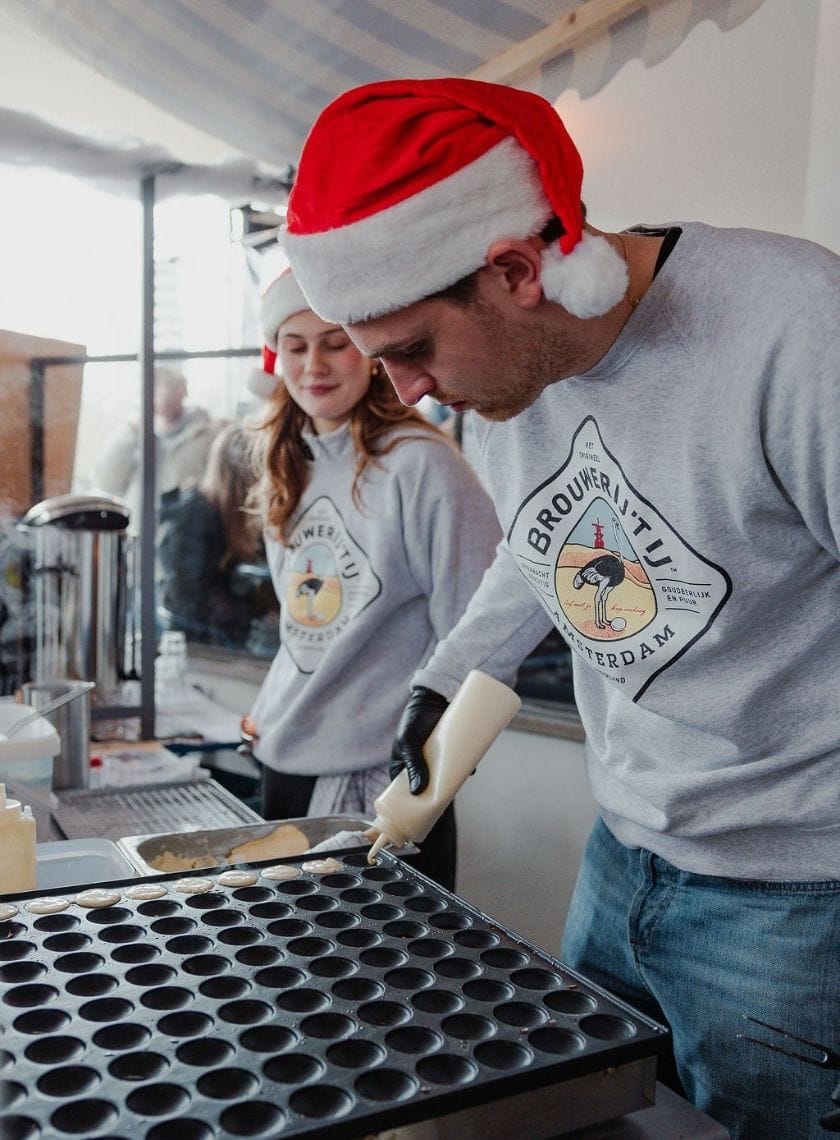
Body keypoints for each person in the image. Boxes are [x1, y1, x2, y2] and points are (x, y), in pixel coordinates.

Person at [278, 78, 840, 1140]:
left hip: (795, 902)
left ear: (517, 271)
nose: (408, 391)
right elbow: (551, 544)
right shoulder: (506, 381)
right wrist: (445, 679)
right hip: (621, 857)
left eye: (409, 349)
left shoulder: (794, 328)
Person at [246, 269, 501, 890]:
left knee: (379, 980)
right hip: (283, 756)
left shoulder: (423, 466)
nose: (316, 365)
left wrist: (432, 776)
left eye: (335, 342)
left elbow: (476, 635)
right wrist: (269, 703)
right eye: (296, 346)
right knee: (287, 975)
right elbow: (309, 622)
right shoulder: (287, 464)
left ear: (368, 345)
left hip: (377, 776)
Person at [157, 423, 269, 648]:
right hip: (199, 643)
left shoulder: (229, 514)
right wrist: (253, 612)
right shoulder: (195, 516)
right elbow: (189, 598)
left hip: (221, 633)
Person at [93, 366, 218, 529]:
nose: (163, 398)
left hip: (188, 539)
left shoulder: (207, 434)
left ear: (183, 391)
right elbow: (106, 481)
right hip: (141, 537)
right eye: (157, 389)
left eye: (171, 388)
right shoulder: (134, 435)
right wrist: (133, 430)